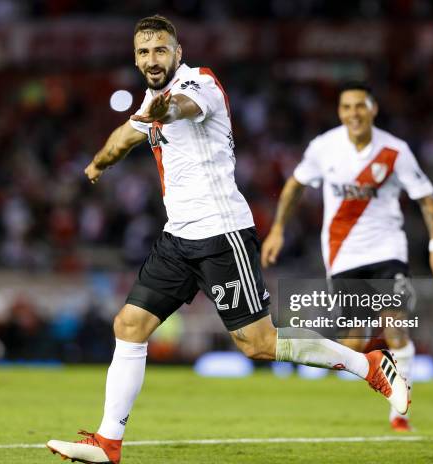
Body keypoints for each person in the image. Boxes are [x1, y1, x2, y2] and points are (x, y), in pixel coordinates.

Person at [46, 17, 408, 464]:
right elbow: (125, 136)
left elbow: (179, 108)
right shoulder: (149, 98)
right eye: (143, 52)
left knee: (257, 342)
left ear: (177, 52)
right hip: (178, 238)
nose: (151, 59)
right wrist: (98, 164)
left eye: (160, 50)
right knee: (129, 326)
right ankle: (108, 443)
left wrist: (159, 110)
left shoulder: (200, 84)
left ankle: (368, 365)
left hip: (222, 234)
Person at [261, 82, 433, 432]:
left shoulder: (395, 151)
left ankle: (400, 413)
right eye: (347, 107)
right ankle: (368, 378)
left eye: (360, 106)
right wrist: (277, 229)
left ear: (373, 109)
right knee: (354, 340)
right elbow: (295, 185)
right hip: (343, 254)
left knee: (395, 323)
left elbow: (426, 198)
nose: (354, 113)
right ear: (340, 112)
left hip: (387, 250)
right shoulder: (324, 147)